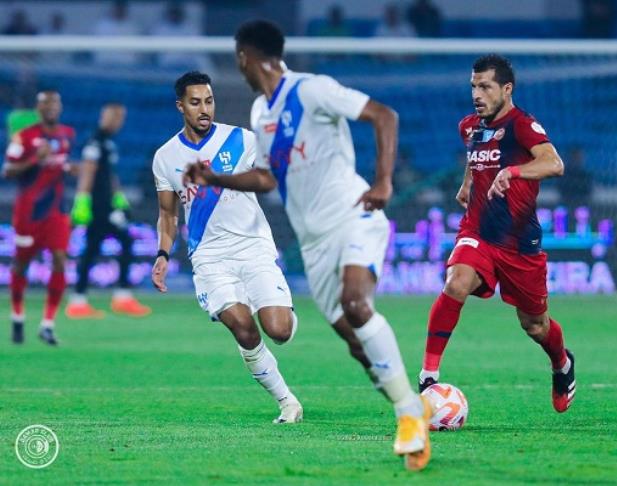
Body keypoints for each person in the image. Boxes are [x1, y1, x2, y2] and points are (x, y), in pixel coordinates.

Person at [184, 20, 431, 471]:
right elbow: (265, 177)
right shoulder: (261, 113)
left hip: (353, 214)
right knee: (357, 344)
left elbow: (383, 115)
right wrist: (215, 178)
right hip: (314, 242)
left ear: (244, 57)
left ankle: (410, 416)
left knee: (358, 304)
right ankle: (409, 403)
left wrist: (382, 180)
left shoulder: (312, 89)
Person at [417, 54, 576, 413]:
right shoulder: (469, 127)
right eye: (473, 85)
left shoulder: (523, 126)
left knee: (535, 325)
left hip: (519, 243)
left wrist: (513, 174)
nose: (477, 93)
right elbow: (479, 159)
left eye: (485, 86)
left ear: (507, 89)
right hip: (478, 231)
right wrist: (467, 183)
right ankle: (428, 375)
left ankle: (562, 364)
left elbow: (555, 163)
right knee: (456, 281)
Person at [152, 71, 302, 424]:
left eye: (208, 101)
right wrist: (162, 253)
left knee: (278, 331)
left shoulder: (241, 140)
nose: (204, 109)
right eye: (195, 102)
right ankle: (287, 402)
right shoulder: (165, 157)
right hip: (209, 257)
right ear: (180, 106)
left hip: (253, 247)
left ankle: (280, 311)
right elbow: (167, 214)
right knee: (242, 327)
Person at [3, 90, 75, 346]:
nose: (51, 107)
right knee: (21, 264)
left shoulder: (67, 135)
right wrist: (35, 159)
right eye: (46, 104)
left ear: (60, 107)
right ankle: (18, 316)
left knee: (59, 260)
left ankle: (47, 324)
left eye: (55, 103)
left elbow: (62, 166)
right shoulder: (24, 136)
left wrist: (70, 169)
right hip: (28, 212)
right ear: (38, 108)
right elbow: (8, 171)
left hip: (56, 211)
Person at [65, 103, 151, 318]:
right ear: (106, 117)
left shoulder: (107, 143)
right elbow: (88, 171)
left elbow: (108, 174)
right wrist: (82, 200)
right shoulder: (96, 142)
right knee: (112, 245)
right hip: (98, 207)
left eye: (120, 117)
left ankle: (86, 300)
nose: (118, 121)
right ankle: (104, 299)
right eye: (116, 117)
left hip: (107, 205)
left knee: (100, 247)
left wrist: (118, 197)